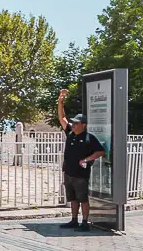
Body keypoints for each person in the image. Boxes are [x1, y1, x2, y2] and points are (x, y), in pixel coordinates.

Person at [57, 89, 105, 231]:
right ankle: (73, 220)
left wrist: (86, 159)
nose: (73, 125)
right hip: (69, 172)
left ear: (83, 125)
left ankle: (85, 223)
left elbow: (101, 151)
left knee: (83, 199)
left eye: (76, 123)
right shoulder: (71, 134)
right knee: (72, 199)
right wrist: (60, 101)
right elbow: (62, 117)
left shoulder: (89, 138)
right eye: (73, 123)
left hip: (81, 175)